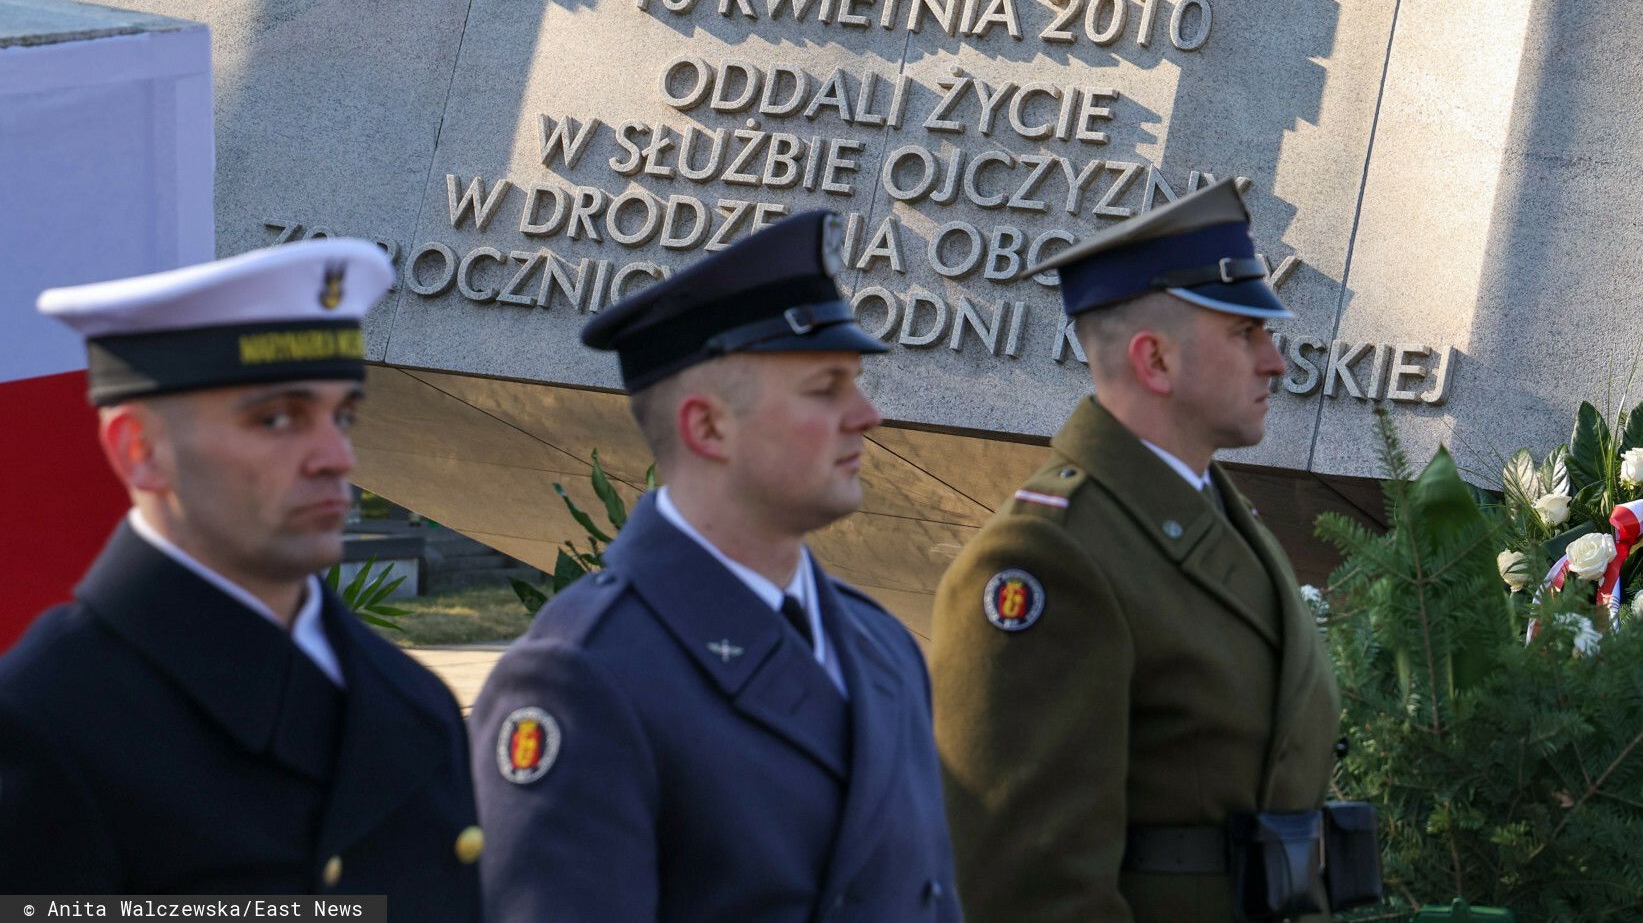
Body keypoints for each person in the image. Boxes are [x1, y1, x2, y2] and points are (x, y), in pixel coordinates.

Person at [471, 208, 960, 923]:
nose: (867, 414)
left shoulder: (881, 645)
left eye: (855, 382)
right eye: (826, 389)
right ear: (707, 426)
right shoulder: (582, 675)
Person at [0, 240, 483, 912]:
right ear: (140, 451)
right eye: (278, 418)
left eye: (341, 415)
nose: (335, 455)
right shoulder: (47, 720)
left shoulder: (412, 701)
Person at [930, 178, 1344, 923]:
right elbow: (1025, 888)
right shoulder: (1047, 557)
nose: (1275, 361)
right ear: (1155, 360)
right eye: (1245, 333)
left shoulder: (1215, 515)